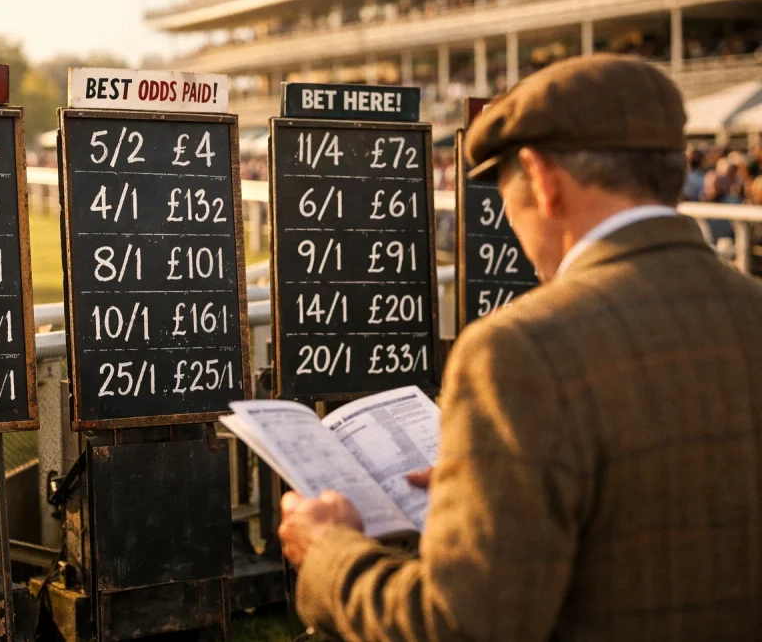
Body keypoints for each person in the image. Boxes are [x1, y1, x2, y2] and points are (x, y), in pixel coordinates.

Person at [278, 54, 762, 641]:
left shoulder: (518, 350)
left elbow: (461, 625)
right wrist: (495, 476)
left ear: (539, 177)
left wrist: (328, 551)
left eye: (503, 191)